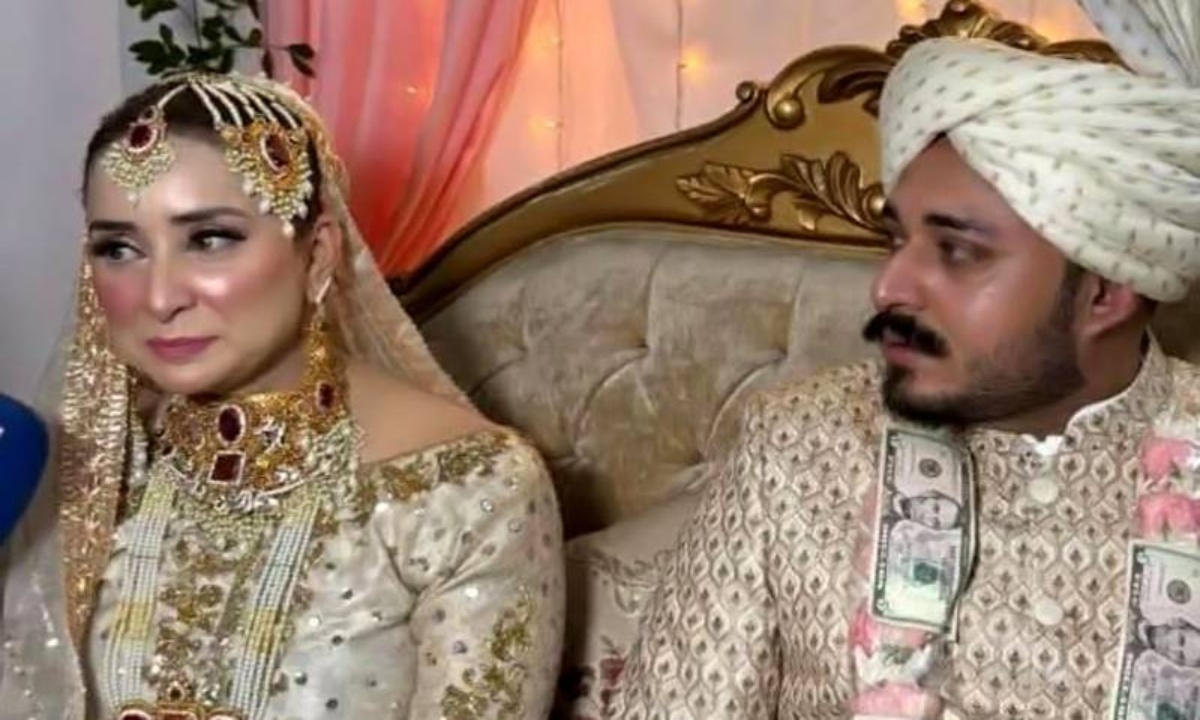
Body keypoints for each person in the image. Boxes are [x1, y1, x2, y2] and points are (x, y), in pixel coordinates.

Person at [616, 1, 1200, 718]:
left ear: (1105, 293)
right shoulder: (799, 444)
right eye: (897, 241)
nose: (889, 287)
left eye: (957, 252)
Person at [0, 72, 564, 720]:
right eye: (119, 248)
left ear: (317, 255)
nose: (159, 297)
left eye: (209, 239)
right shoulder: (94, 469)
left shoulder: (471, 489)